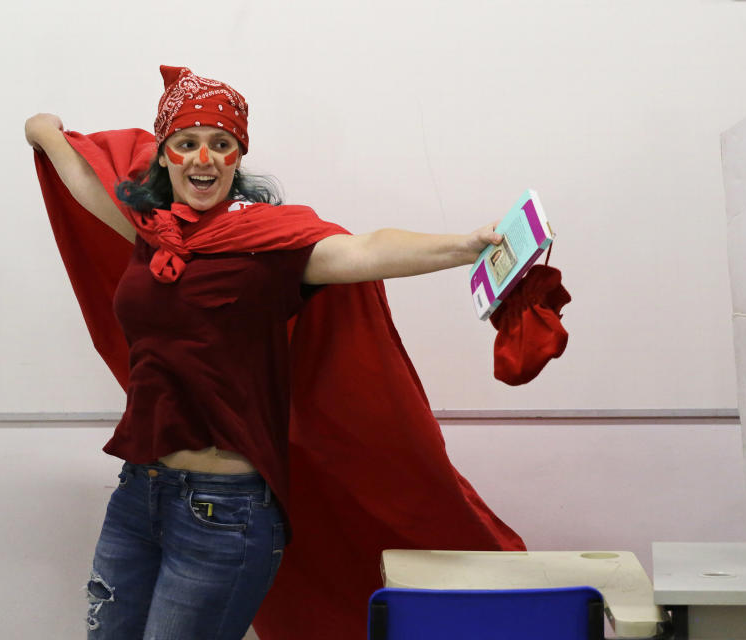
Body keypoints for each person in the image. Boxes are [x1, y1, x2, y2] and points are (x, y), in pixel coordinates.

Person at [26, 65, 524, 640]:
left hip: (224, 510)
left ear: (238, 158)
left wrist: (465, 245)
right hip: (140, 492)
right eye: (186, 144)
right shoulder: (152, 233)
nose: (203, 158)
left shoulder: (270, 249)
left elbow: (366, 248)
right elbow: (87, 185)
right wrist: (43, 130)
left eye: (221, 144)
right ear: (165, 156)